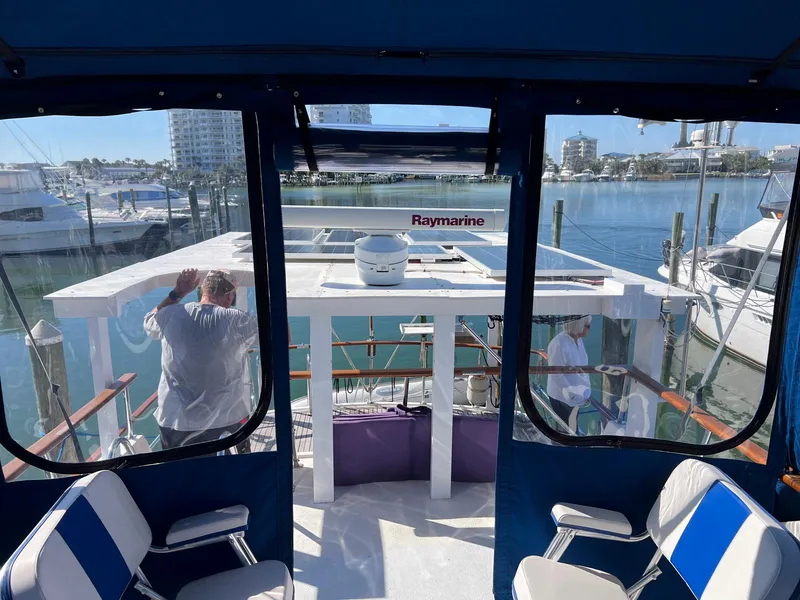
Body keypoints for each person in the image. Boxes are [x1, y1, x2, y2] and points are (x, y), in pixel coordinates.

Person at [144, 267, 258, 450]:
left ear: (202, 291)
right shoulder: (237, 321)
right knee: (235, 475)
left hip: (175, 421)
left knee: (180, 476)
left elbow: (149, 322)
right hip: (227, 420)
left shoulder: (170, 314)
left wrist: (177, 293)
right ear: (230, 297)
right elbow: (282, 338)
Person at [546, 315, 592, 434]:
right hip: (563, 398)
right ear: (579, 326)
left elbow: (582, 367)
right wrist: (572, 393)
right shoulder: (558, 344)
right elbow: (556, 374)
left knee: (572, 425)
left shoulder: (579, 340)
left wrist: (585, 390)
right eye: (588, 326)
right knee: (568, 430)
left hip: (577, 395)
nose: (589, 329)